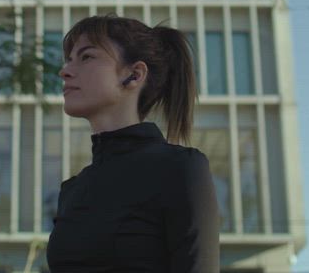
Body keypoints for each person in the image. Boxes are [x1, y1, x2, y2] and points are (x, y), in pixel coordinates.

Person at [46, 14, 220, 272]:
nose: (65, 71)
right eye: (68, 60)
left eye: (86, 57)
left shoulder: (180, 168)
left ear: (134, 75)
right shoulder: (71, 190)